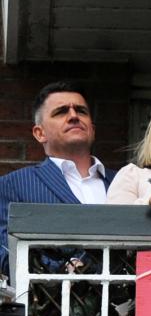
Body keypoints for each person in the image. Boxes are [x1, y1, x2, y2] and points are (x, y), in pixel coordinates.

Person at [0, 81, 116, 239]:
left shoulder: (123, 181)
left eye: (81, 111)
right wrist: (63, 264)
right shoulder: (13, 186)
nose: (74, 116)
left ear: (92, 130)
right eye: (61, 112)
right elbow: (5, 251)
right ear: (40, 133)